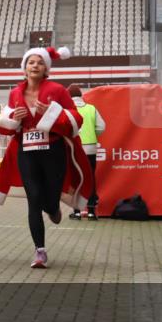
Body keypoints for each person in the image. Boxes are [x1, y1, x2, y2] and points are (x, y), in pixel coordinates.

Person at [0, 47, 93, 268]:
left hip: (53, 150)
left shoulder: (57, 90)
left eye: (39, 62)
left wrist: (52, 113)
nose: (35, 65)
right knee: (34, 198)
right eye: (31, 62)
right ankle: (40, 251)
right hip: (26, 152)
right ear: (24, 68)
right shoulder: (15, 93)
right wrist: (13, 118)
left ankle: (54, 207)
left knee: (49, 199)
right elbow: (5, 127)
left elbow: (75, 120)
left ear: (46, 67)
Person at [68, 84, 106, 220]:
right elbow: (102, 126)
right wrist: (92, 134)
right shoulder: (91, 108)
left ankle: (77, 212)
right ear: (80, 95)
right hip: (90, 149)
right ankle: (91, 212)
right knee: (90, 179)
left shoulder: (68, 110)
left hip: (74, 149)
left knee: (76, 180)